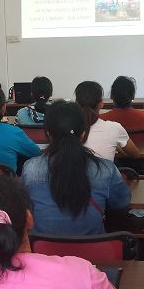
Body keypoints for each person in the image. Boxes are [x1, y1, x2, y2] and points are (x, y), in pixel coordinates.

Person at [21, 101, 131, 235]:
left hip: (43, 248)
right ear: (83, 134)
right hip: (94, 247)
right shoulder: (106, 169)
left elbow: (25, 206)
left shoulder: (30, 169)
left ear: (48, 134)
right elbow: (122, 202)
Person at [75, 81, 140, 161]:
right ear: (101, 104)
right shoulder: (114, 128)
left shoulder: (68, 128)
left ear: (76, 103)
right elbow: (136, 155)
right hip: (106, 169)